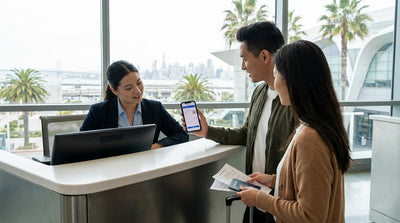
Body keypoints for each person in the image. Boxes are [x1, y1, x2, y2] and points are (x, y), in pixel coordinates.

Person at [183, 21, 293, 223]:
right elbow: (246, 134)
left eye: (244, 59)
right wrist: (208, 131)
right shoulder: (260, 92)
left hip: (281, 203)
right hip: (256, 196)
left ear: (265, 56)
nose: (243, 66)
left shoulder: (294, 100)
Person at [236, 40, 351, 223]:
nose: (274, 81)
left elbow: (310, 216)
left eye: (276, 74)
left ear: (293, 80)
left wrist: (259, 199)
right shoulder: (318, 126)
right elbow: (313, 186)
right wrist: (275, 180)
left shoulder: (310, 138)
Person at [81, 60, 189, 149]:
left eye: (139, 83)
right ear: (114, 90)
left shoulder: (155, 108)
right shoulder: (99, 111)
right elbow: (81, 144)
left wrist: (156, 146)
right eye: (128, 88)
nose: (138, 91)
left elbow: (181, 135)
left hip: (147, 168)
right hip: (112, 170)